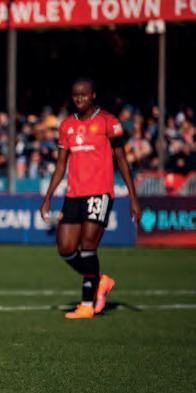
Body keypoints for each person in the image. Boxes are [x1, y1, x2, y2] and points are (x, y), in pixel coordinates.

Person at [40, 78, 140, 319]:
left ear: (93, 95)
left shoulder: (108, 121)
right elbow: (61, 165)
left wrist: (133, 197)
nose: (80, 99)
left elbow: (121, 160)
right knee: (65, 248)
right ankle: (100, 280)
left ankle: (86, 303)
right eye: (76, 95)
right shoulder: (66, 126)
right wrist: (48, 197)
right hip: (74, 194)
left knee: (88, 246)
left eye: (84, 94)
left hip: (100, 193)